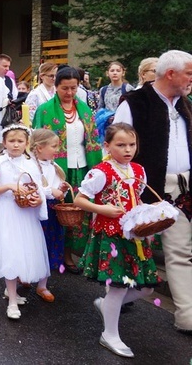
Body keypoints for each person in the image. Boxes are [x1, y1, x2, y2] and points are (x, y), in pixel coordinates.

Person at [113, 49, 192, 335]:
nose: (191, 79)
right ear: (171, 74)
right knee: (134, 250)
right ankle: (114, 300)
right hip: (146, 188)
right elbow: (116, 145)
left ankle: (186, 315)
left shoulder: (185, 104)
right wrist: (125, 187)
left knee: (181, 251)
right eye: (189, 73)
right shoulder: (134, 103)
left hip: (184, 187)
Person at [74, 123, 160, 357]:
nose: (127, 149)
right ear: (107, 146)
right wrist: (101, 208)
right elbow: (79, 199)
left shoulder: (139, 170)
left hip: (135, 236)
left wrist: (148, 226)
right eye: (120, 145)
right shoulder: (101, 172)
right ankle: (109, 333)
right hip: (111, 236)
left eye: (131, 144)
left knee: (147, 287)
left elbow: (137, 201)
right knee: (119, 287)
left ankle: (107, 305)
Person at [33, 67, 102, 273]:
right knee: (57, 212)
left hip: (81, 167)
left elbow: (93, 138)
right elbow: (37, 141)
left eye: (74, 88)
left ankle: (70, 254)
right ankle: (51, 253)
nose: (70, 92)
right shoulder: (45, 110)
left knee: (77, 214)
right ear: (56, 86)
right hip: (57, 169)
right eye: (65, 88)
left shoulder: (85, 110)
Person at [0, 124, 50, 320]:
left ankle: (13, 291)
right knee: (10, 253)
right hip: (6, 213)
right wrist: (9, 186)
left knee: (22, 251)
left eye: (20, 141)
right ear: (4, 143)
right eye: (11, 141)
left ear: (27, 143)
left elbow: (37, 189)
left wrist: (37, 199)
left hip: (25, 215)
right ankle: (11, 302)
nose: (16, 145)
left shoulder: (31, 164)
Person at [30, 128, 69, 302]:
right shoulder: (30, 166)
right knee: (32, 246)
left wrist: (61, 190)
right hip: (35, 212)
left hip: (52, 213)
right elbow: (32, 187)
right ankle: (22, 275)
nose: (57, 150)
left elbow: (57, 189)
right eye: (53, 146)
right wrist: (49, 191)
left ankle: (42, 285)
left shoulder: (55, 167)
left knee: (49, 246)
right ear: (39, 148)